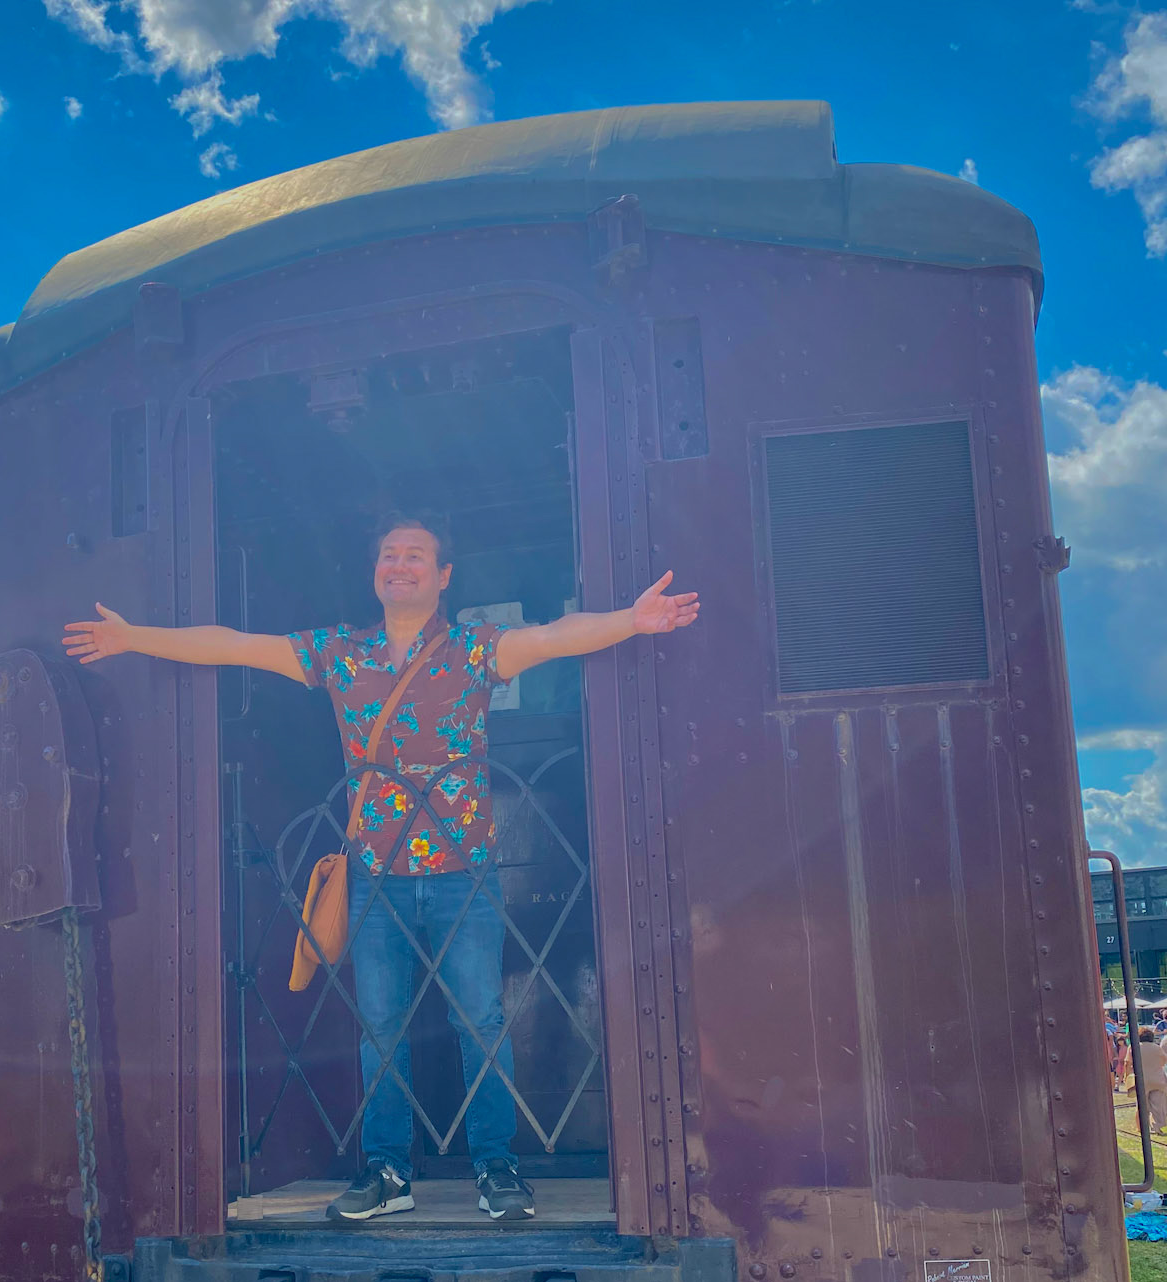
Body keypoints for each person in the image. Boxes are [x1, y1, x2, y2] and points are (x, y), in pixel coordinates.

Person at [66, 513, 699, 1223]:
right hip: (374, 873)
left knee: (481, 1022)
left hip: (464, 870)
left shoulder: (474, 648)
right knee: (381, 1029)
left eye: (417, 555)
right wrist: (130, 637)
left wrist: (635, 621)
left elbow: (555, 636)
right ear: (376, 573)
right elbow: (236, 646)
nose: (401, 565)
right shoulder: (341, 653)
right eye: (390, 555)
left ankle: (497, 1169)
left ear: (444, 575)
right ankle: (388, 1173)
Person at [1136, 1025, 1167, 1132]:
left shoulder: (1134, 1047)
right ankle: (1156, 1126)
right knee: (1157, 1105)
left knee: (1142, 1105)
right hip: (1157, 1079)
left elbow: (1128, 1062)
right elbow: (1164, 1060)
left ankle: (1142, 1127)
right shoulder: (1157, 1047)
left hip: (1141, 1079)